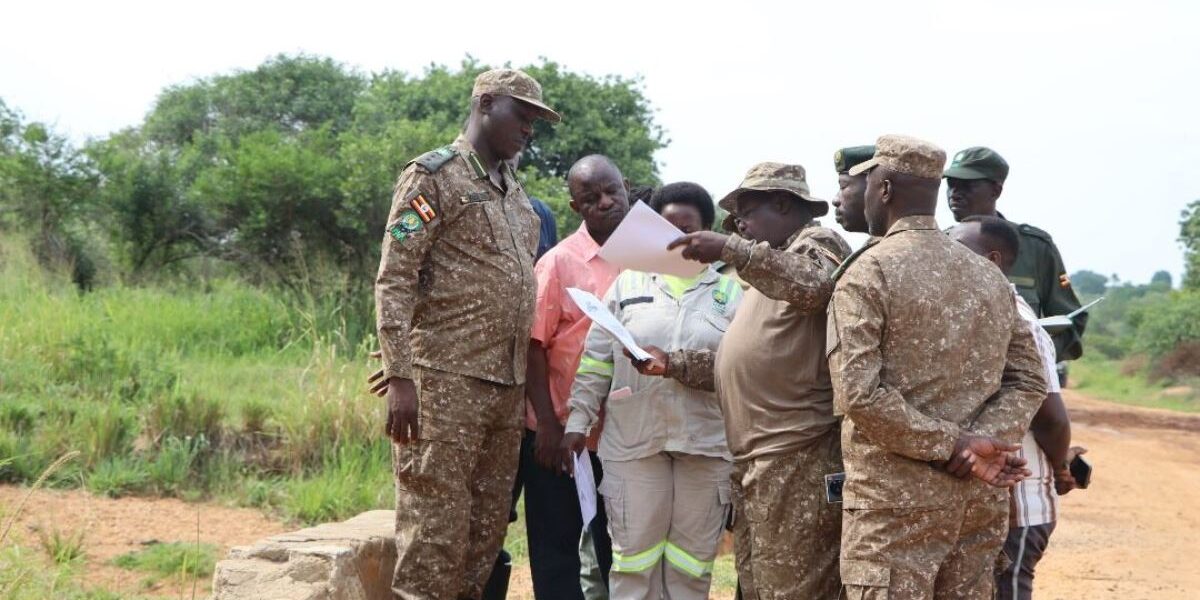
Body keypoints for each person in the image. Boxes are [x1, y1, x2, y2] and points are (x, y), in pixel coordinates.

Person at [829, 134, 1046, 599]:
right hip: (976, 505)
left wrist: (955, 445)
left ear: (883, 189)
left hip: (894, 511)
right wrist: (978, 447)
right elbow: (1030, 377)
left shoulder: (869, 272)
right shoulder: (987, 273)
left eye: (867, 183)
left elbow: (859, 394)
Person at [373, 67, 559, 600]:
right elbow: (395, 278)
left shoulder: (518, 199)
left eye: (535, 122)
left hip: (504, 391)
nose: (528, 130)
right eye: (521, 116)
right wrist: (400, 374)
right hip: (444, 387)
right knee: (434, 537)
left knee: (483, 538)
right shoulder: (433, 177)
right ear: (485, 104)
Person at [663, 162, 852, 598]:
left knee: (793, 589)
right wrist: (673, 364)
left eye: (745, 214)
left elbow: (819, 285)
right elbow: (752, 366)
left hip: (797, 458)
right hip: (761, 463)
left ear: (783, 203)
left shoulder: (816, 243)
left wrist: (733, 249)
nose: (740, 226)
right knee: (758, 587)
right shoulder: (762, 277)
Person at [563, 182, 743, 600]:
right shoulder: (627, 286)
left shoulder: (732, 293)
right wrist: (578, 419)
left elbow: (744, 371)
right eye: (666, 226)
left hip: (707, 447)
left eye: (687, 228)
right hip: (634, 444)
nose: (676, 237)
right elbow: (596, 360)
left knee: (690, 566)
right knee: (633, 561)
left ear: (705, 232)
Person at [948, 216, 1085, 600]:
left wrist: (1060, 468)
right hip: (987, 504)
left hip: (1021, 509)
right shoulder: (971, 316)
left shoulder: (1019, 320)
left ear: (992, 260)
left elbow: (1051, 418)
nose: (946, 257)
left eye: (958, 248)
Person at [523, 155, 628, 600]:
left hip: (627, 438)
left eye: (613, 192)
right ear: (575, 207)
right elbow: (533, 345)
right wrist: (547, 425)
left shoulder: (652, 257)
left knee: (618, 552)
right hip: (562, 438)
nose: (606, 203)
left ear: (626, 189)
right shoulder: (558, 263)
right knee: (556, 552)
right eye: (592, 198)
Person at [943, 147, 1087, 367]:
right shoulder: (936, 246)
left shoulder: (1035, 249)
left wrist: (1033, 358)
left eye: (967, 185)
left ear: (996, 190)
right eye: (951, 184)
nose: (955, 192)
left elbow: (1071, 322)